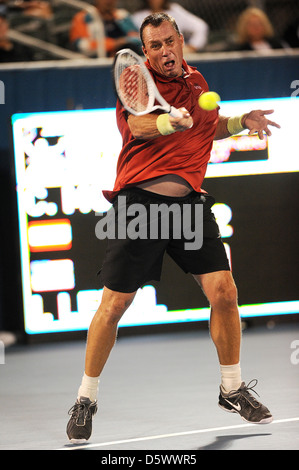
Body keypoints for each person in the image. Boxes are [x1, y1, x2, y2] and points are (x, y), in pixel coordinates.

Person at [66, 12, 280, 443]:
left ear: (182, 40)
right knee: (114, 306)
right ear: (145, 53)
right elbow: (139, 125)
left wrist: (241, 123)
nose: (164, 51)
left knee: (225, 292)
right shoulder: (136, 84)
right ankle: (85, 398)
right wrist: (168, 121)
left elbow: (207, 129)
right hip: (140, 207)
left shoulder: (198, 83)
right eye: (155, 46)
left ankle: (232, 388)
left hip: (189, 208)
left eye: (169, 42)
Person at [69, 0, 142, 57]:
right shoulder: (84, 18)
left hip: (126, 61)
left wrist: (125, 41)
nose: (109, 1)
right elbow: (82, 45)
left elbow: (137, 39)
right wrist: (114, 44)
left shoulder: (123, 16)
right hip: (96, 63)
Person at [132, 0, 208, 53]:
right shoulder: (137, 17)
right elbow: (134, 38)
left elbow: (200, 26)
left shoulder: (175, 11)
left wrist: (192, 47)